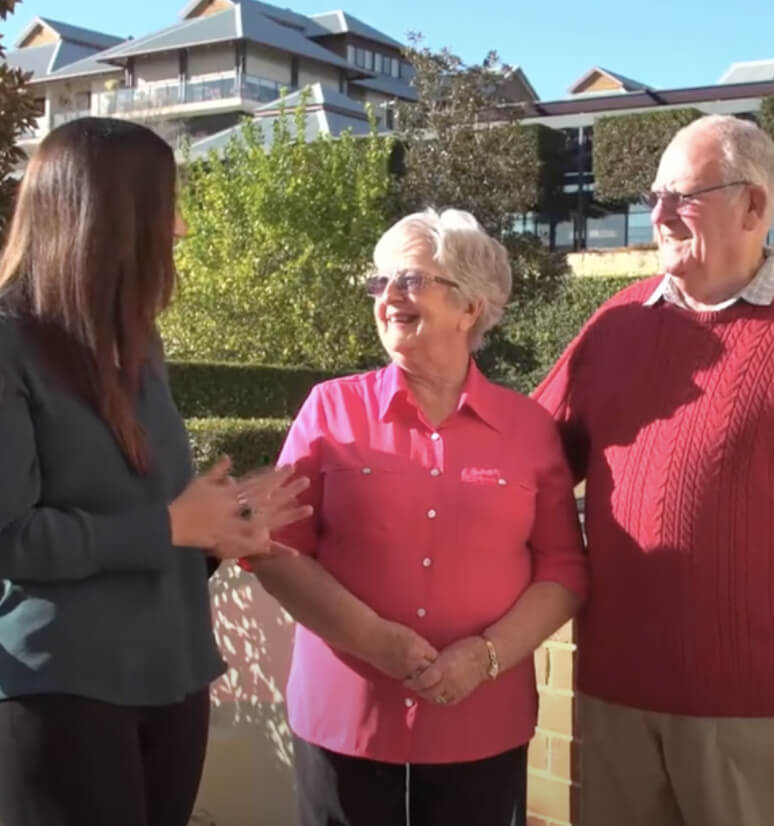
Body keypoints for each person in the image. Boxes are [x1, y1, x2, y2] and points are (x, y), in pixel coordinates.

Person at [0, 117, 311, 826]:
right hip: (61, 692)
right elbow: (10, 538)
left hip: (173, 679)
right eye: (167, 206)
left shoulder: (138, 346)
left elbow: (153, 526)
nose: (182, 229)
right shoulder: (9, 345)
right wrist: (169, 525)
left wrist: (215, 533)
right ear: (111, 217)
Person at [249, 207, 587, 826]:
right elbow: (276, 548)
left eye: (409, 279)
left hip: (481, 724)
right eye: (380, 282)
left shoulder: (529, 429)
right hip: (347, 719)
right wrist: (372, 639)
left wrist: (485, 656)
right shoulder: (329, 410)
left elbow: (563, 570)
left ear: (470, 307)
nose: (388, 297)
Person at [533, 113, 774, 826]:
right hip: (614, 694)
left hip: (753, 708)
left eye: (683, 197)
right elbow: (527, 455)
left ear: (753, 206)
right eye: (654, 195)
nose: (657, 215)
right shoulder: (616, 323)